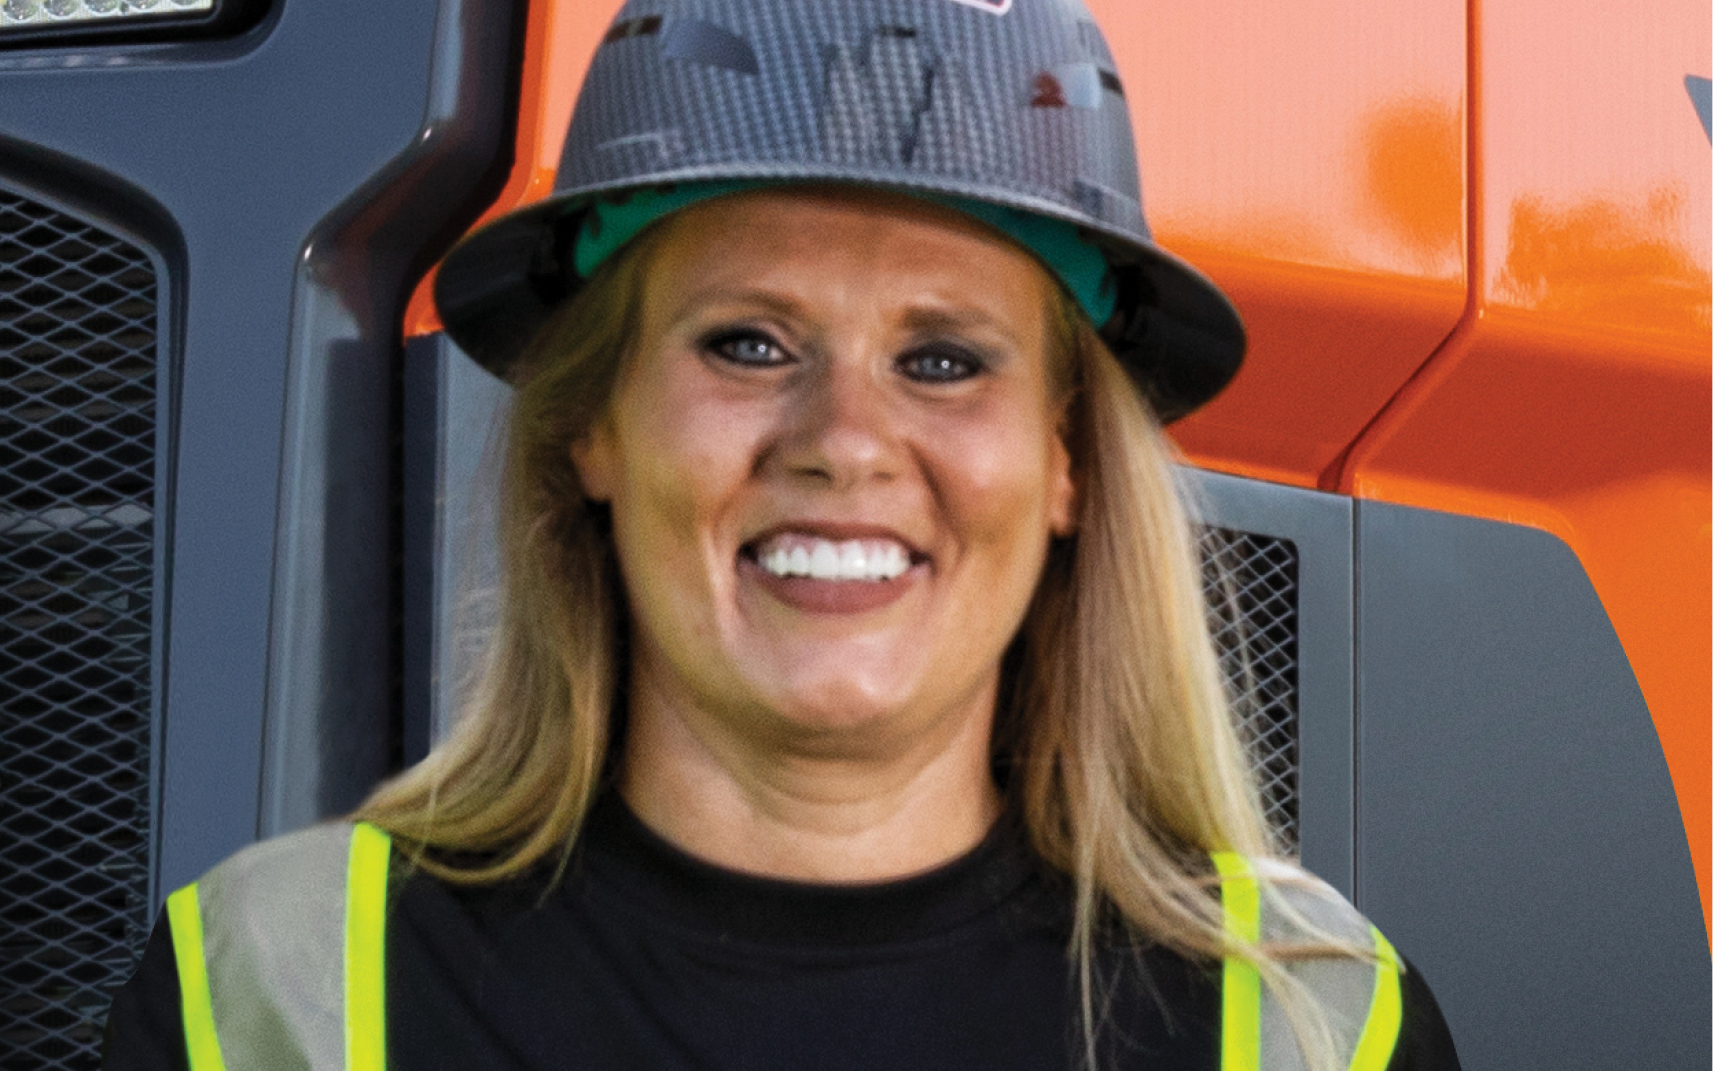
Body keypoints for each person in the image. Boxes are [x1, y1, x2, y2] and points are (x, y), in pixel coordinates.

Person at [105, 1, 1461, 1068]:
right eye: (748, 343)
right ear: (593, 429)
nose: (844, 437)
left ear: (1065, 467)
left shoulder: (1310, 1032)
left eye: (942, 360)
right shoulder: (268, 997)